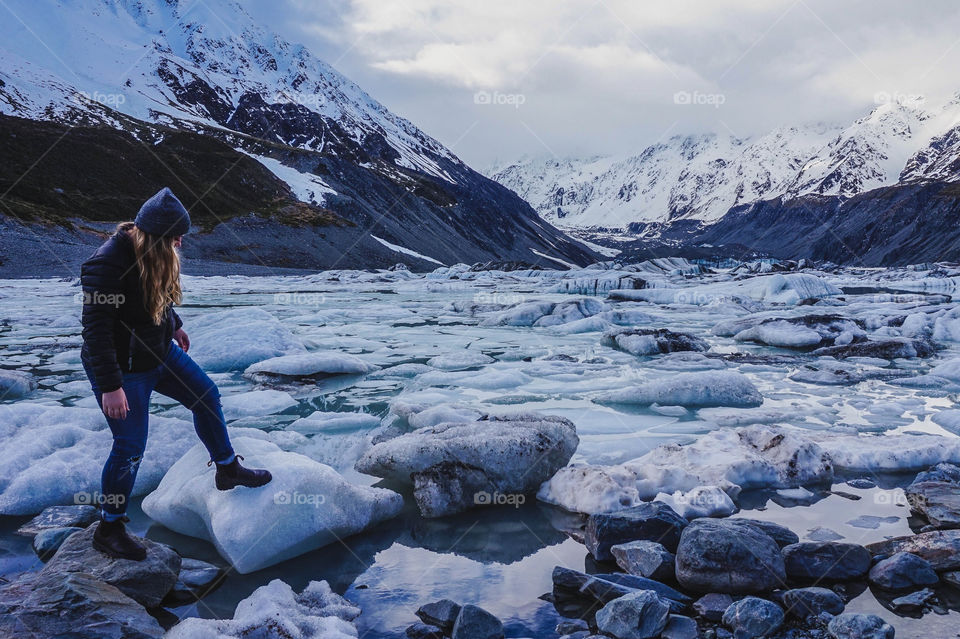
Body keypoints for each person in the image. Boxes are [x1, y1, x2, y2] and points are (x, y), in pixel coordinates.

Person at [80, 187, 272, 561]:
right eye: (173, 236)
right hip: (123, 368)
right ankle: (110, 527)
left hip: (160, 352)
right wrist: (111, 386)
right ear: (153, 234)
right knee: (130, 447)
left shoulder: (157, 252)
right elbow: (96, 329)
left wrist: (175, 325)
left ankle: (227, 468)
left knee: (207, 396)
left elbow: (158, 296)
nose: (180, 241)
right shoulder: (108, 263)